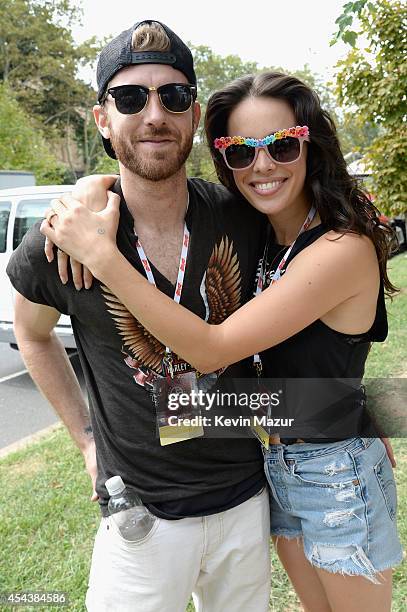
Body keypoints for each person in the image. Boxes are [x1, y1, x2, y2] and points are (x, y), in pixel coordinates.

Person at [41, 71, 403, 611]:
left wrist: (103, 259)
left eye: (282, 146)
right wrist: (94, 186)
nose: (262, 166)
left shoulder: (340, 248)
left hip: (336, 473)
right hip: (278, 465)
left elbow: (213, 350)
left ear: (312, 146)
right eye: (240, 152)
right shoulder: (261, 233)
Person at [6, 21, 272, 612]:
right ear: (103, 119)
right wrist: (83, 440)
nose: (155, 115)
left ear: (195, 115)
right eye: (131, 98)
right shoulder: (65, 238)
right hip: (140, 517)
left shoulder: (241, 217)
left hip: (243, 502)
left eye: (173, 96)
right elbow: (31, 333)